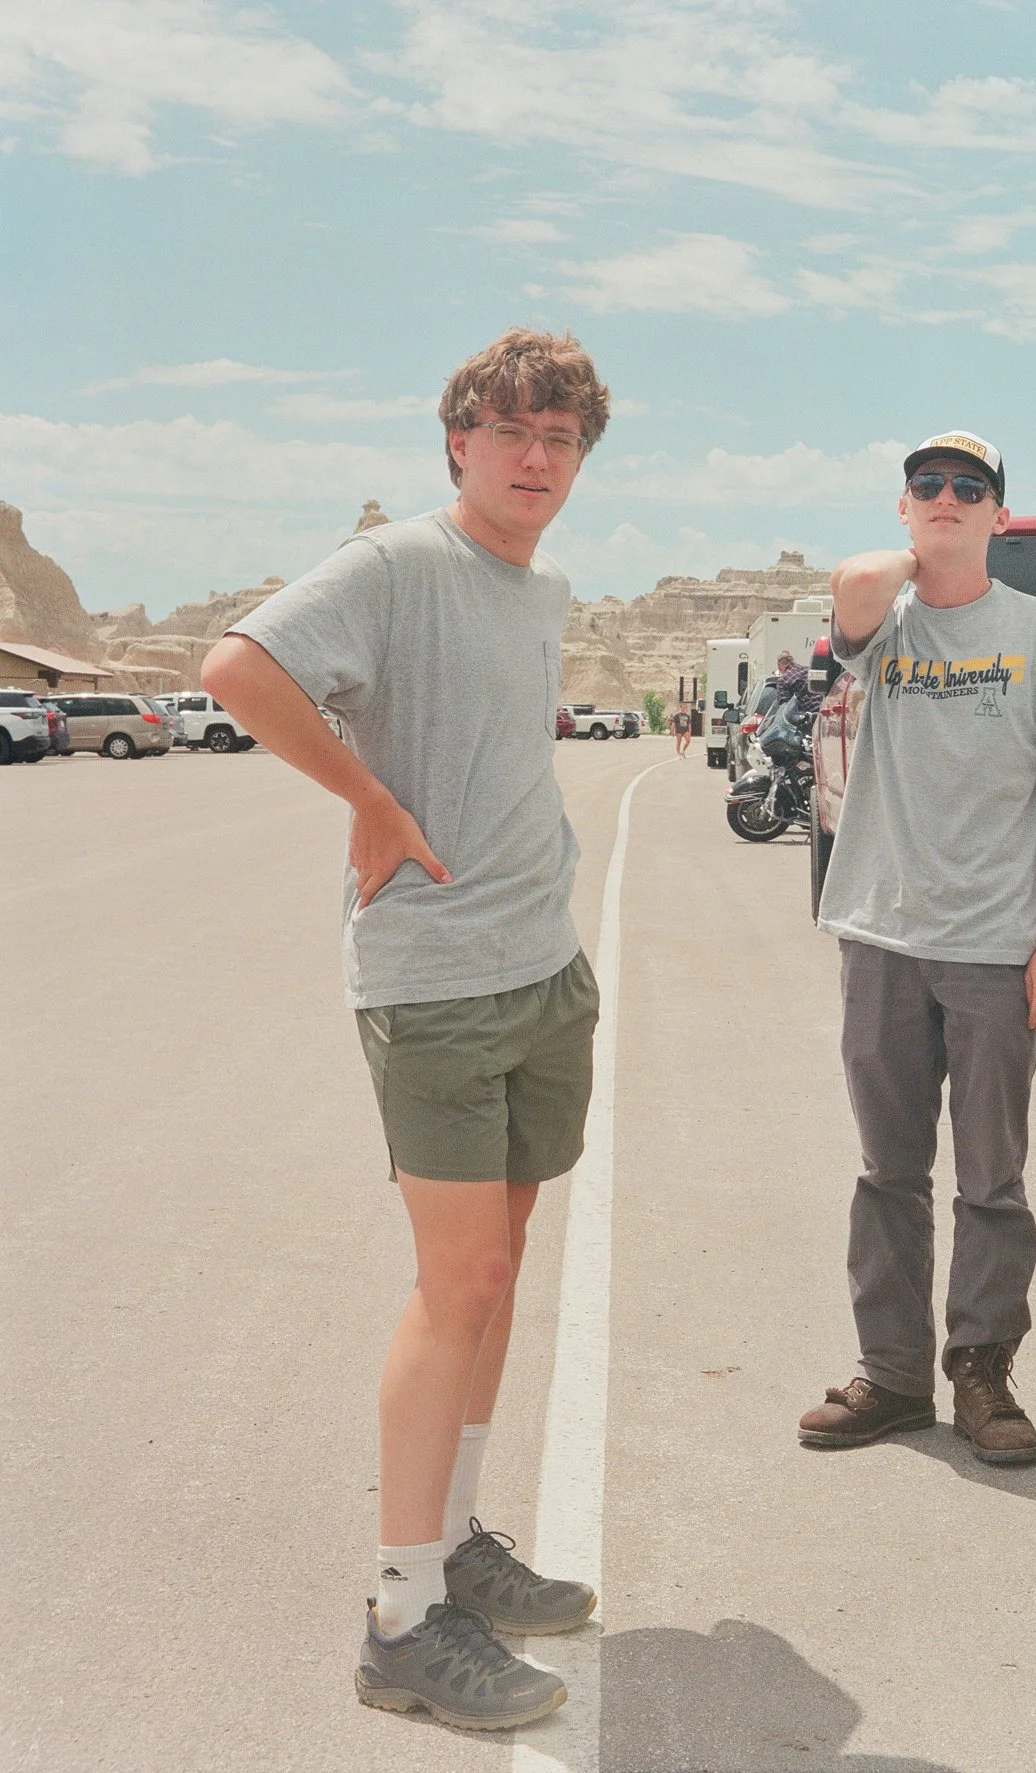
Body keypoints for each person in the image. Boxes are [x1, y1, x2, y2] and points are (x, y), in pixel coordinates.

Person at [202, 328, 612, 1729]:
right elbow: (239, 667)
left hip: (541, 970)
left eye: (562, 438)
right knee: (459, 1282)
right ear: (457, 443)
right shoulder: (398, 565)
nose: (538, 458)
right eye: (514, 433)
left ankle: (460, 1538)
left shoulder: (540, 582)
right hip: (434, 979)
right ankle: (399, 1616)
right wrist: (369, 804)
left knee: (498, 1278)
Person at [799, 430, 1036, 1465]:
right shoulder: (882, 624)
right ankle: (892, 1378)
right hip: (885, 935)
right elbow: (849, 590)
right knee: (887, 1172)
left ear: (1000, 512)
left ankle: (981, 1371)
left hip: (996, 945)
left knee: (993, 1179)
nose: (946, 498)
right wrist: (917, 560)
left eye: (968, 488)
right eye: (926, 487)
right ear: (903, 509)